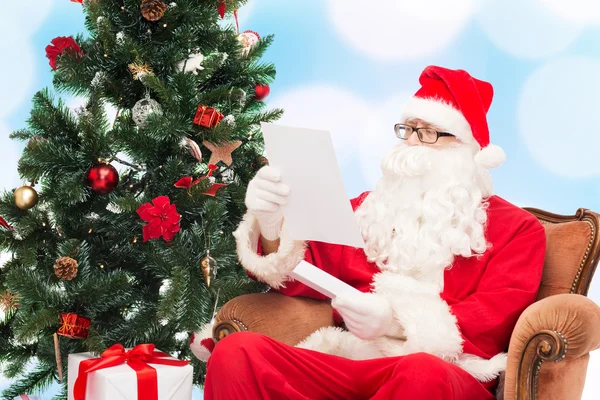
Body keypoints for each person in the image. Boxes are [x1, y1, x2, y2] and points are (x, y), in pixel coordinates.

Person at [191, 65, 547, 400]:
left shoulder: (518, 230)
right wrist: (271, 222)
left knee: (422, 371)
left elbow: (494, 321)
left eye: (428, 133)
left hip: (449, 372)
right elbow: (304, 271)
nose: (410, 143)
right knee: (239, 352)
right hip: (352, 361)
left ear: (466, 149)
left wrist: (395, 320)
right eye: (407, 129)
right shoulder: (370, 209)